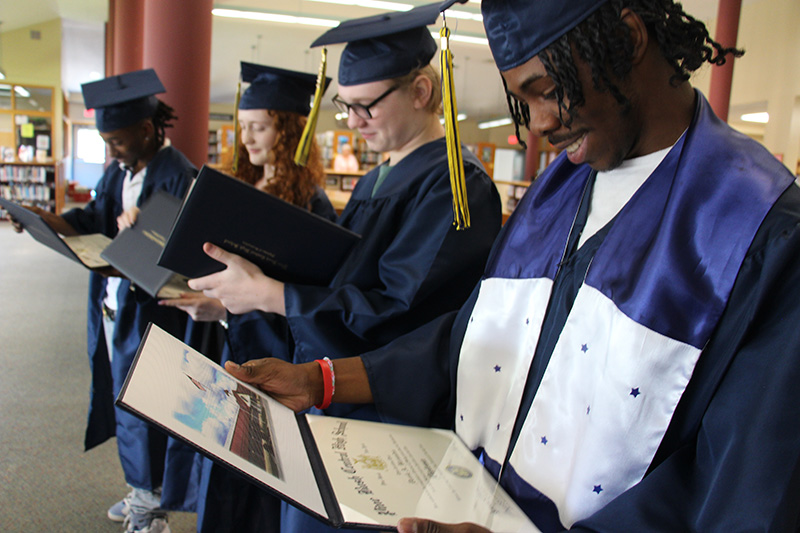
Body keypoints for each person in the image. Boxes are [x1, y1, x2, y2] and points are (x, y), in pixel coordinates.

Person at [223, 0, 800, 531]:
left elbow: (740, 486)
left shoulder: (759, 228)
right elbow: (478, 339)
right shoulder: (563, 187)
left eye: (547, 90)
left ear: (626, 39)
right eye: (522, 102)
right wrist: (323, 378)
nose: (540, 126)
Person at [189, 4, 503, 532]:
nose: (353, 122)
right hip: (324, 396)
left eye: (366, 107)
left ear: (422, 91)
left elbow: (400, 311)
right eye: (345, 106)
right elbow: (344, 279)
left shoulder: (456, 185)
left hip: (382, 415)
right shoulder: (373, 178)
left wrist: (274, 295)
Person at [12, 69, 198, 533]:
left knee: (149, 406)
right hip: (115, 304)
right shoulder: (120, 170)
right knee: (123, 399)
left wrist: (135, 246)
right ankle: (141, 487)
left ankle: (152, 504)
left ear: (145, 128)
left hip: (155, 314)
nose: (110, 151)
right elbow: (93, 219)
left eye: (116, 141)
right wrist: (44, 219)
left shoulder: (180, 178)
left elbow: (181, 258)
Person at [157, 62, 337, 532]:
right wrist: (210, 302)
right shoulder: (241, 188)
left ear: (291, 129)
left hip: (272, 354)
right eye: (243, 128)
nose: (248, 139)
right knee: (221, 465)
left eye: (259, 127)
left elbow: (304, 298)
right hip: (228, 346)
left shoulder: (311, 204)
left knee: (256, 478)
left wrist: (227, 306)